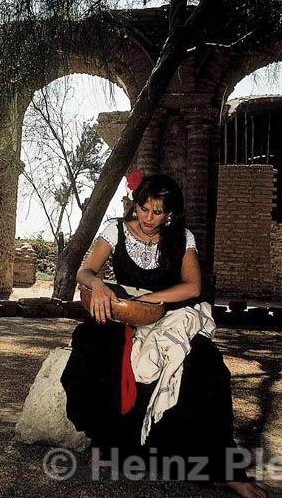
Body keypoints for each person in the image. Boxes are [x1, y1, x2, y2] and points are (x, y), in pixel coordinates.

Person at [60, 174, 266, 498]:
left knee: (208, 366)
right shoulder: (115, 230)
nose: (148, 218)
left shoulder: (181, 238)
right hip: (121, 310)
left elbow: (193, 286)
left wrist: (149, 301)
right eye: (143, 208)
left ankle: (225, 469)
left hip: (165, 312)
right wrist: (98, 285)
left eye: (158, 212)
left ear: (169, 213)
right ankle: (103, 442)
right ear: (136, 204)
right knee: (93, 345)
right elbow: (84, 271)